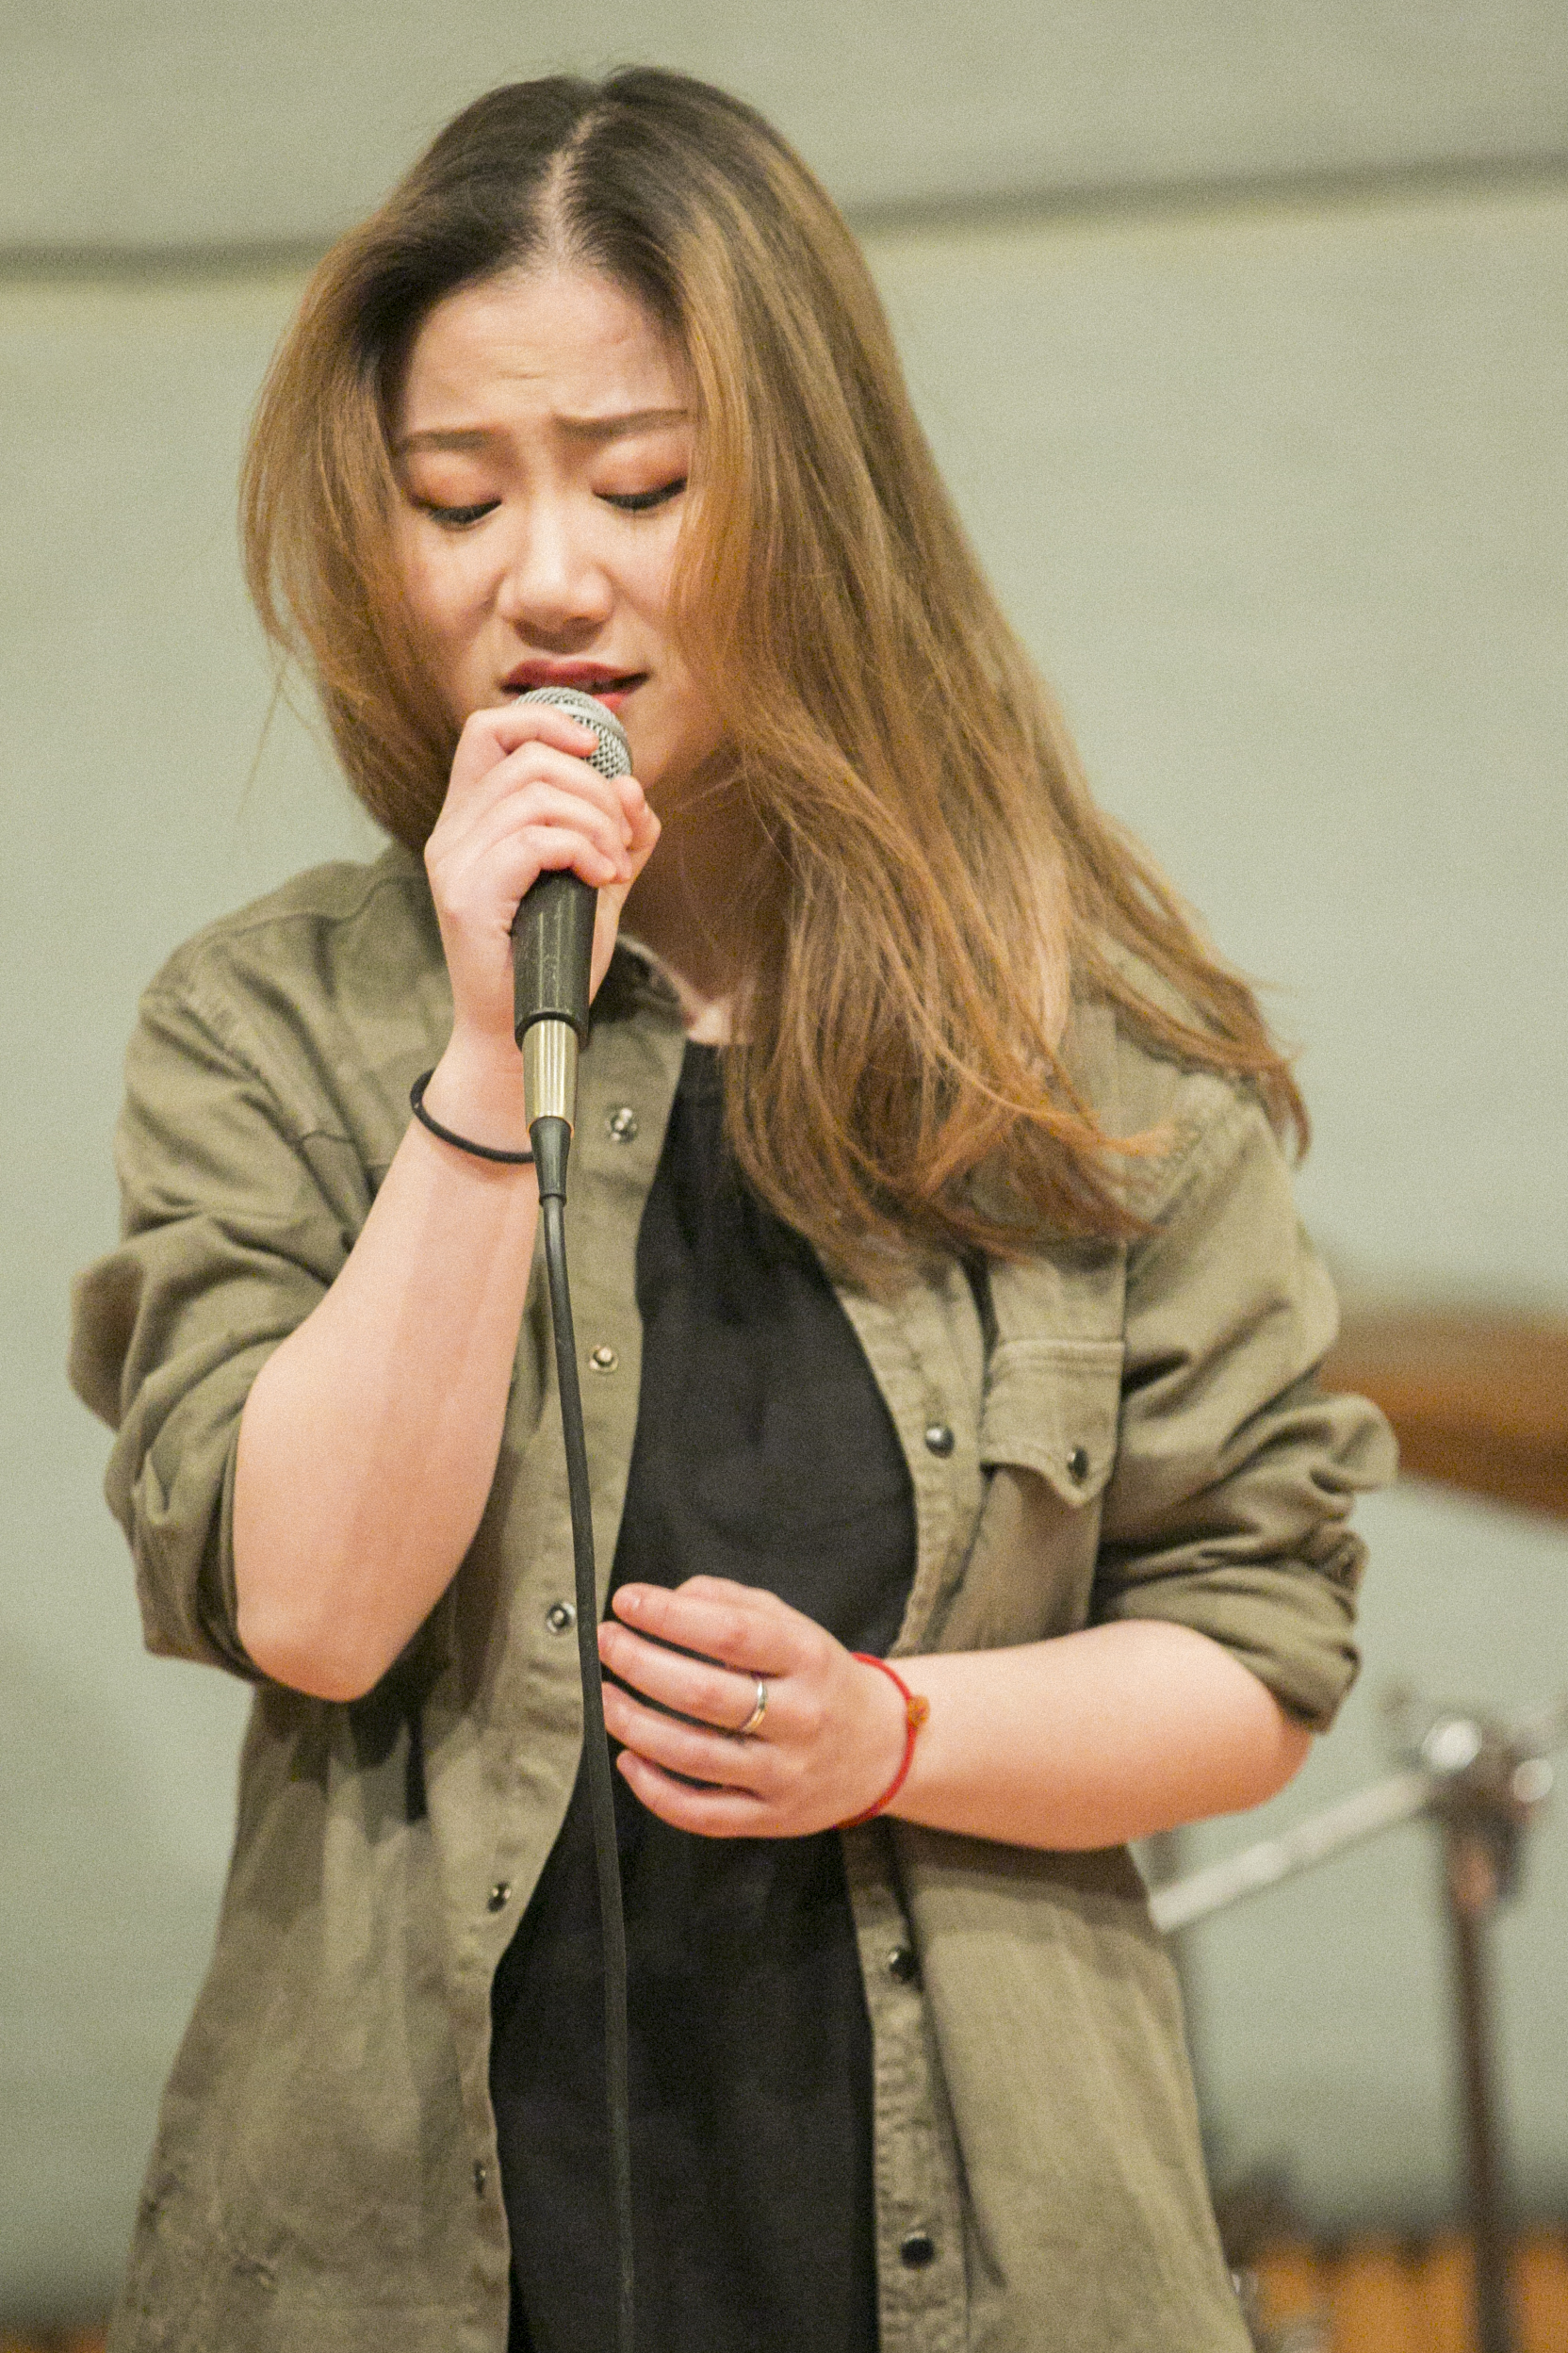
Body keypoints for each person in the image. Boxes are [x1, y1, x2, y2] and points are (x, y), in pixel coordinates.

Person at [70, 67, 1396, 2353]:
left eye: (642, 486)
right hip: (401, 2258)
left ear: (813, 498)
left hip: (986, 2256)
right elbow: (311, 1606)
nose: (543, 577)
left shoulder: (1076, 1046)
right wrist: (480, 1057)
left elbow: (1255, 1647)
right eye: (456, 498)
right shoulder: (267, 1025)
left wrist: (891, 1735)